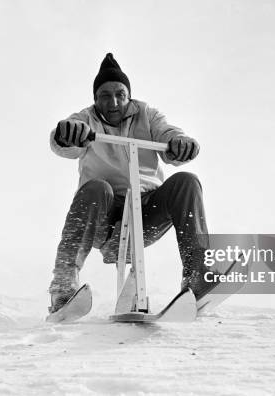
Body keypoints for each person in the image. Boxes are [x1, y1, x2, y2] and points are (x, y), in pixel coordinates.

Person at [48, 53, 213, 313]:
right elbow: (63, 139)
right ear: (95, 99)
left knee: (187, 182)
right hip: (106, 215)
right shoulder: (86, 118)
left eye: (119, 94)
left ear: (129, 95)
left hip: (146, 212)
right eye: (104, 95)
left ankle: (198, 274)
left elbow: (167, 132)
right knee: (96, 188)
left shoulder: (147, 114)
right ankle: (63, 283)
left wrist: (180, 142)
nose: (113, 102)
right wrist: (68, 133)